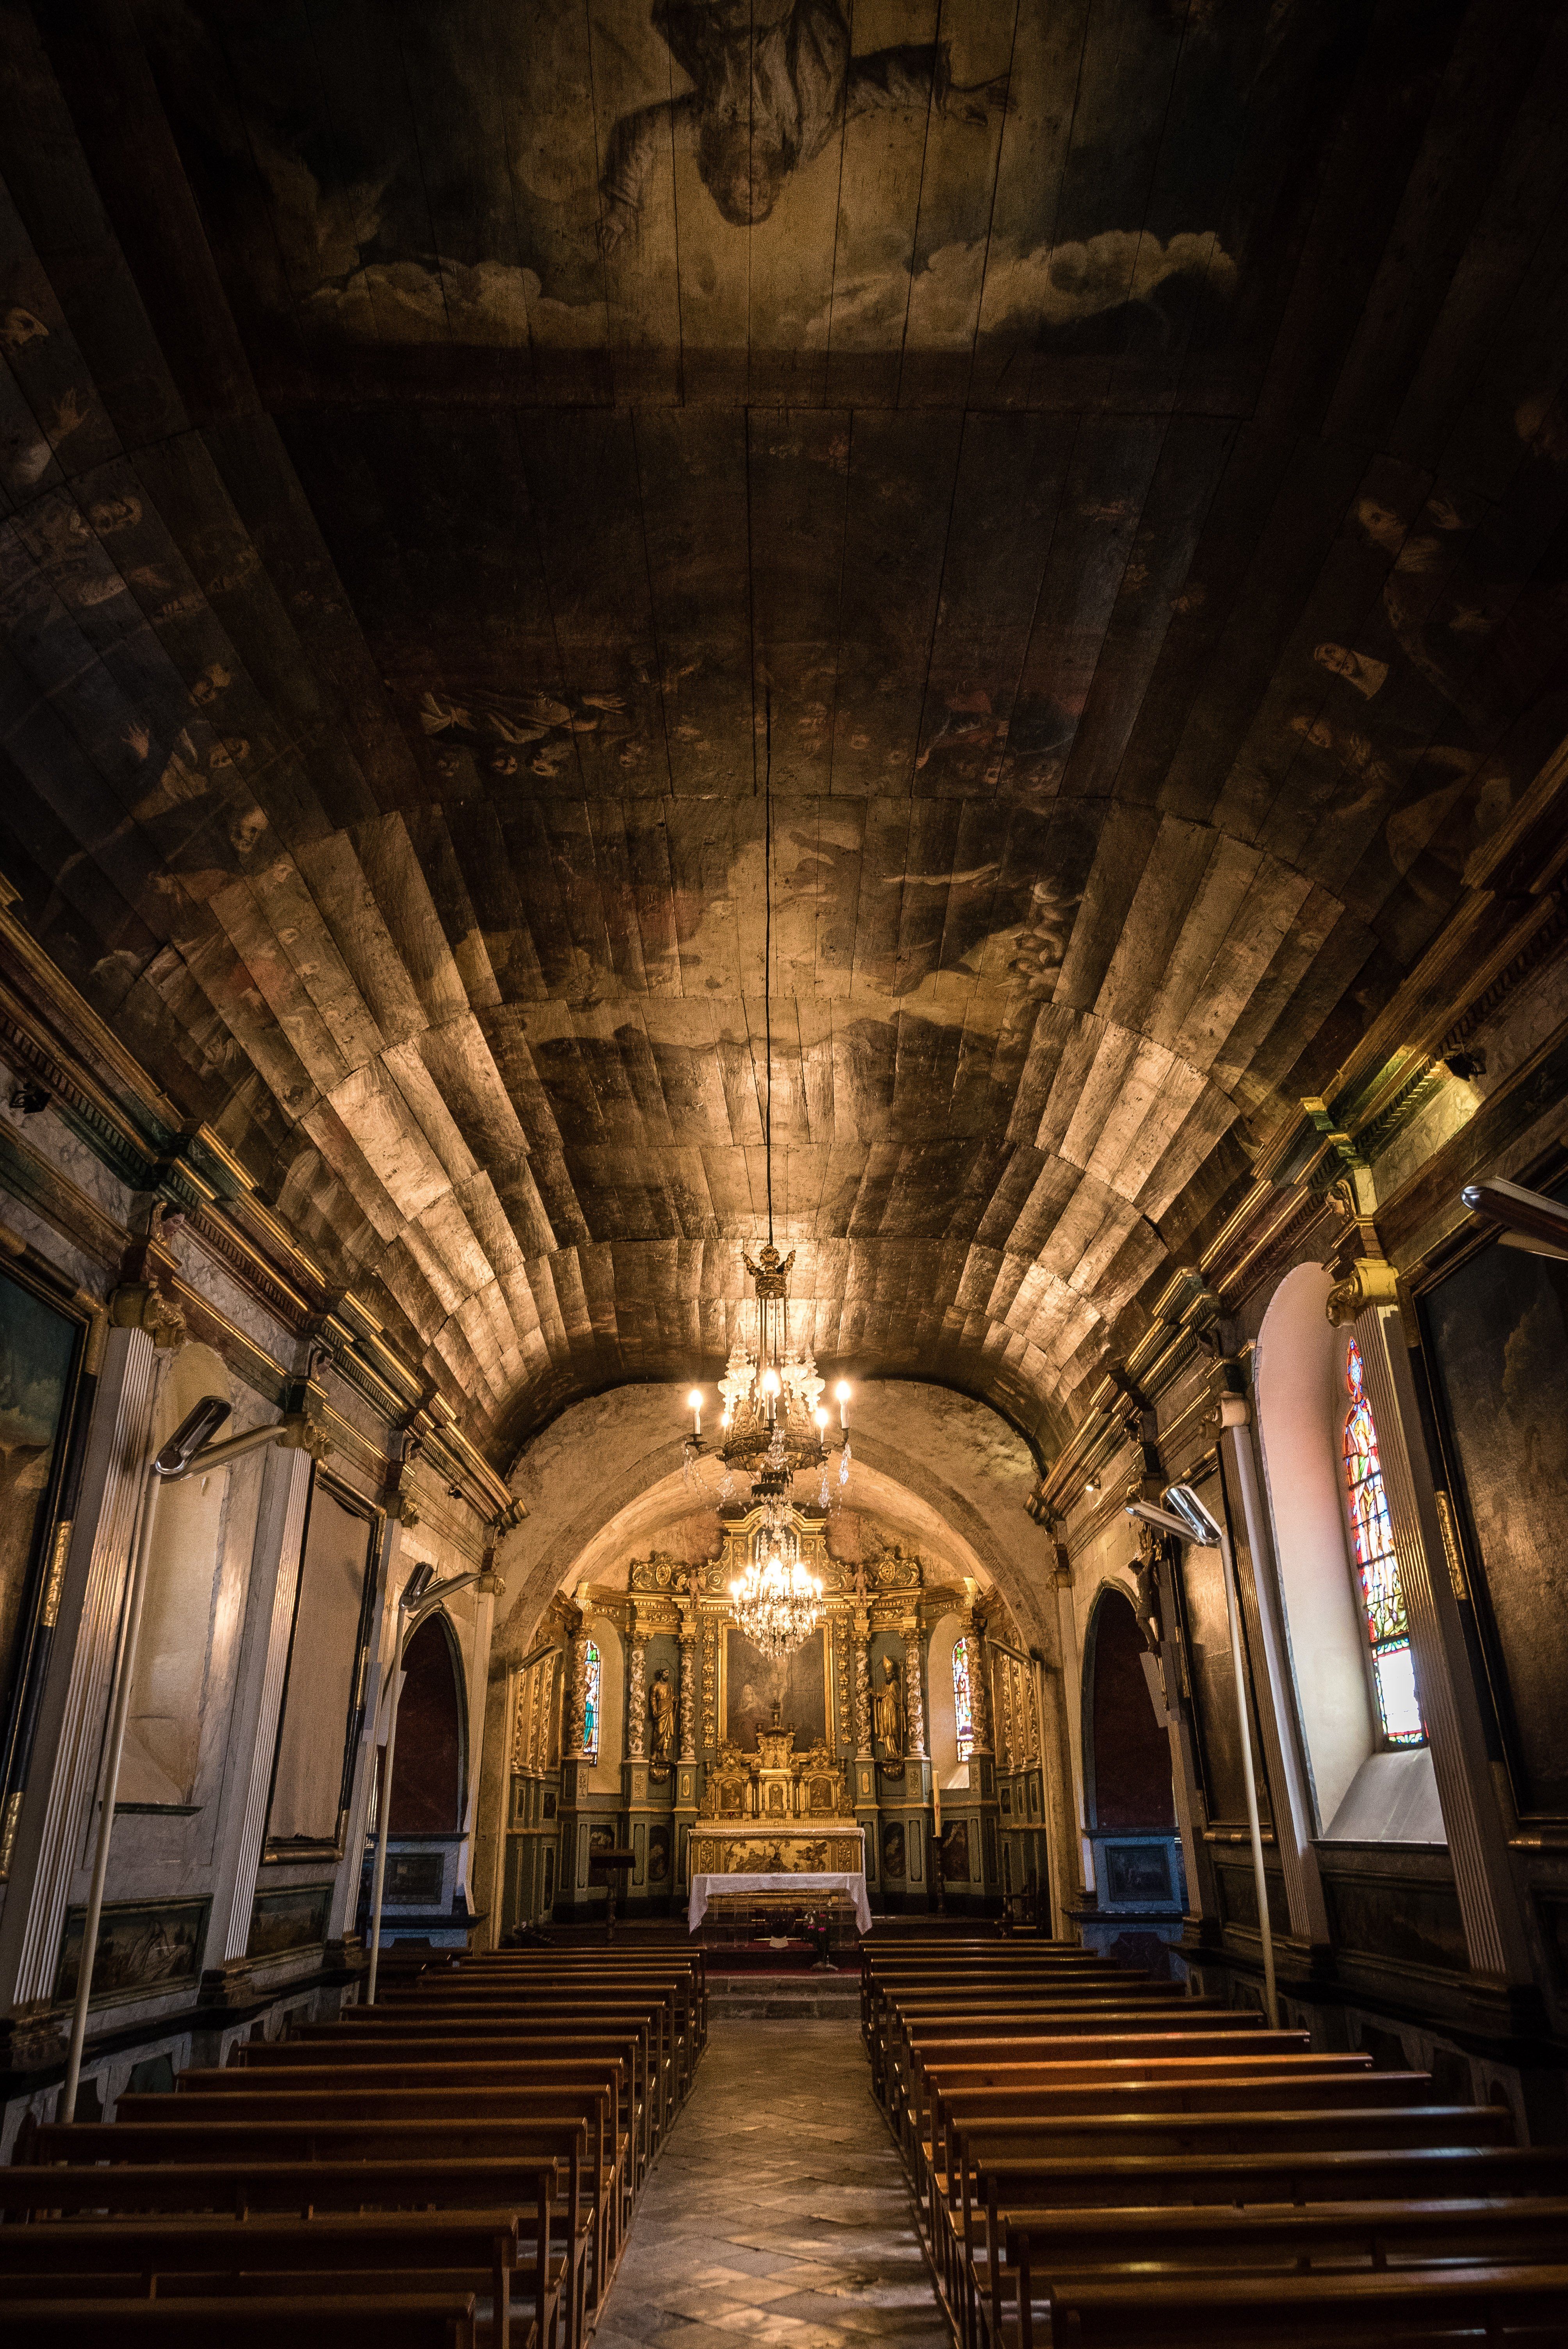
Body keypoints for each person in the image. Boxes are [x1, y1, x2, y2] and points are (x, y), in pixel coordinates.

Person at [599, 0, 1010, 246]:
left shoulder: (707, 129)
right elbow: (868, 87)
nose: (756, 190)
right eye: (763, 199)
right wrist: (944, 96)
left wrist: (622, 206)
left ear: (723, 185)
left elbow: (641, 133)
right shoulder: (807, 135)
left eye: (744, 198)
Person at [872, 1652, 903, 1761]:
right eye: (887, 1674)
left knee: (894, 1728)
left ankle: (897, 1750)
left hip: (893, 1709)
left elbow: (899, 1699)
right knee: (886, 1730)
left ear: (893, 1674)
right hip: (885, 1710)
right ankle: (890, 1752)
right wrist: (875, 1695)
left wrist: (901, 1705)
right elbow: (881, 1694)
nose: (888, 1676)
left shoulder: (895, 1684)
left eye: (889, 1674)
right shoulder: (884, 1685)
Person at [649, 1665, 676, 1763]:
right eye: (666, 1673)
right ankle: (655, 1753)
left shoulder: (669, 1686)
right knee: (659, 1732)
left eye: (668, 1673)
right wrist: (655, 1710)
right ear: (661, 1674)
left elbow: (670, 1698)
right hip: (660, 1711)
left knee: (667, 1732)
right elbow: (653, 1699)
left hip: (668, 1710)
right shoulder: (656, 1686)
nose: (667, 1675)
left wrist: (674, 1700)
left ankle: (664, 1753)